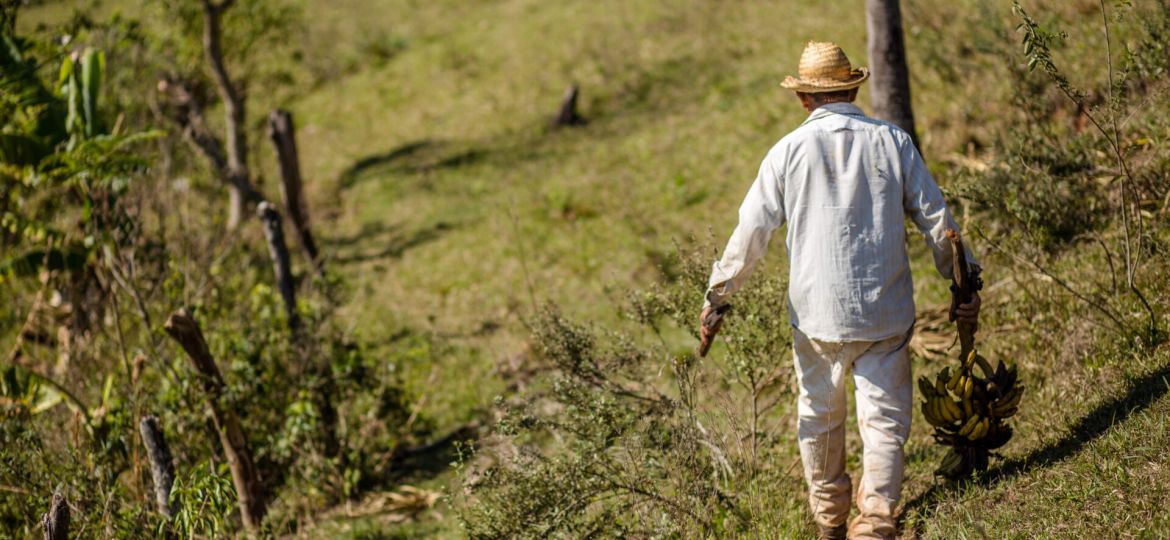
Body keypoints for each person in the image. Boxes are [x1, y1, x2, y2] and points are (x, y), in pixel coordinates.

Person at [697, 41, 981, 540]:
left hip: (816, 318)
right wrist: (963, 280)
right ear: (852, 87)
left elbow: (750, 235)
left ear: (804, 98)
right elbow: (938, 222)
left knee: (819, 418)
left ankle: (830, 521)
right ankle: (874, 522)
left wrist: (717, 297)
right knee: (885, 422)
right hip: (885, 311)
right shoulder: (892, 142)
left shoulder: (786, 152)